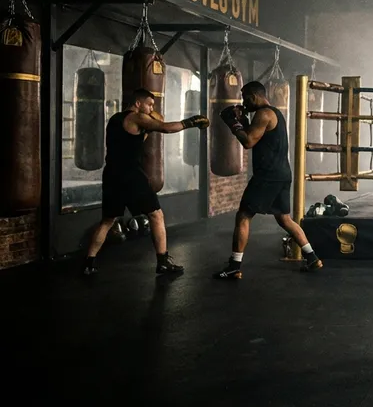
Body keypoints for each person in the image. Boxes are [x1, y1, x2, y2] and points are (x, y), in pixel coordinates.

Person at [82, 88, 209, 276]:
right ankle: (163, 262)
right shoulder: (136, 117)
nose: (151, 109)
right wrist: (191, 122)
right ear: (138, 103)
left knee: (107, 221)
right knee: (156, 215)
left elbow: (137, 139)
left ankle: (89, 263)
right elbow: (165, 127)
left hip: (111, 175)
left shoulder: (116, 119)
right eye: (149, 104)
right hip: (130, 175)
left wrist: (149, 123)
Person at [214, 81, 323, 279]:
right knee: (284, 219)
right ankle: (312, 258)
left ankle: (234, 266)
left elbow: (248, 141)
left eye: (245, 98)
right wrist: (243, 122)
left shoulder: (263, 114)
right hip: (282, 174)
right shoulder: (275, 113)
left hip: (268, 176)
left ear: (254, 96)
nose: (244, 102)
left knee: (243, 215)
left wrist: (232, 122)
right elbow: (256, 135)